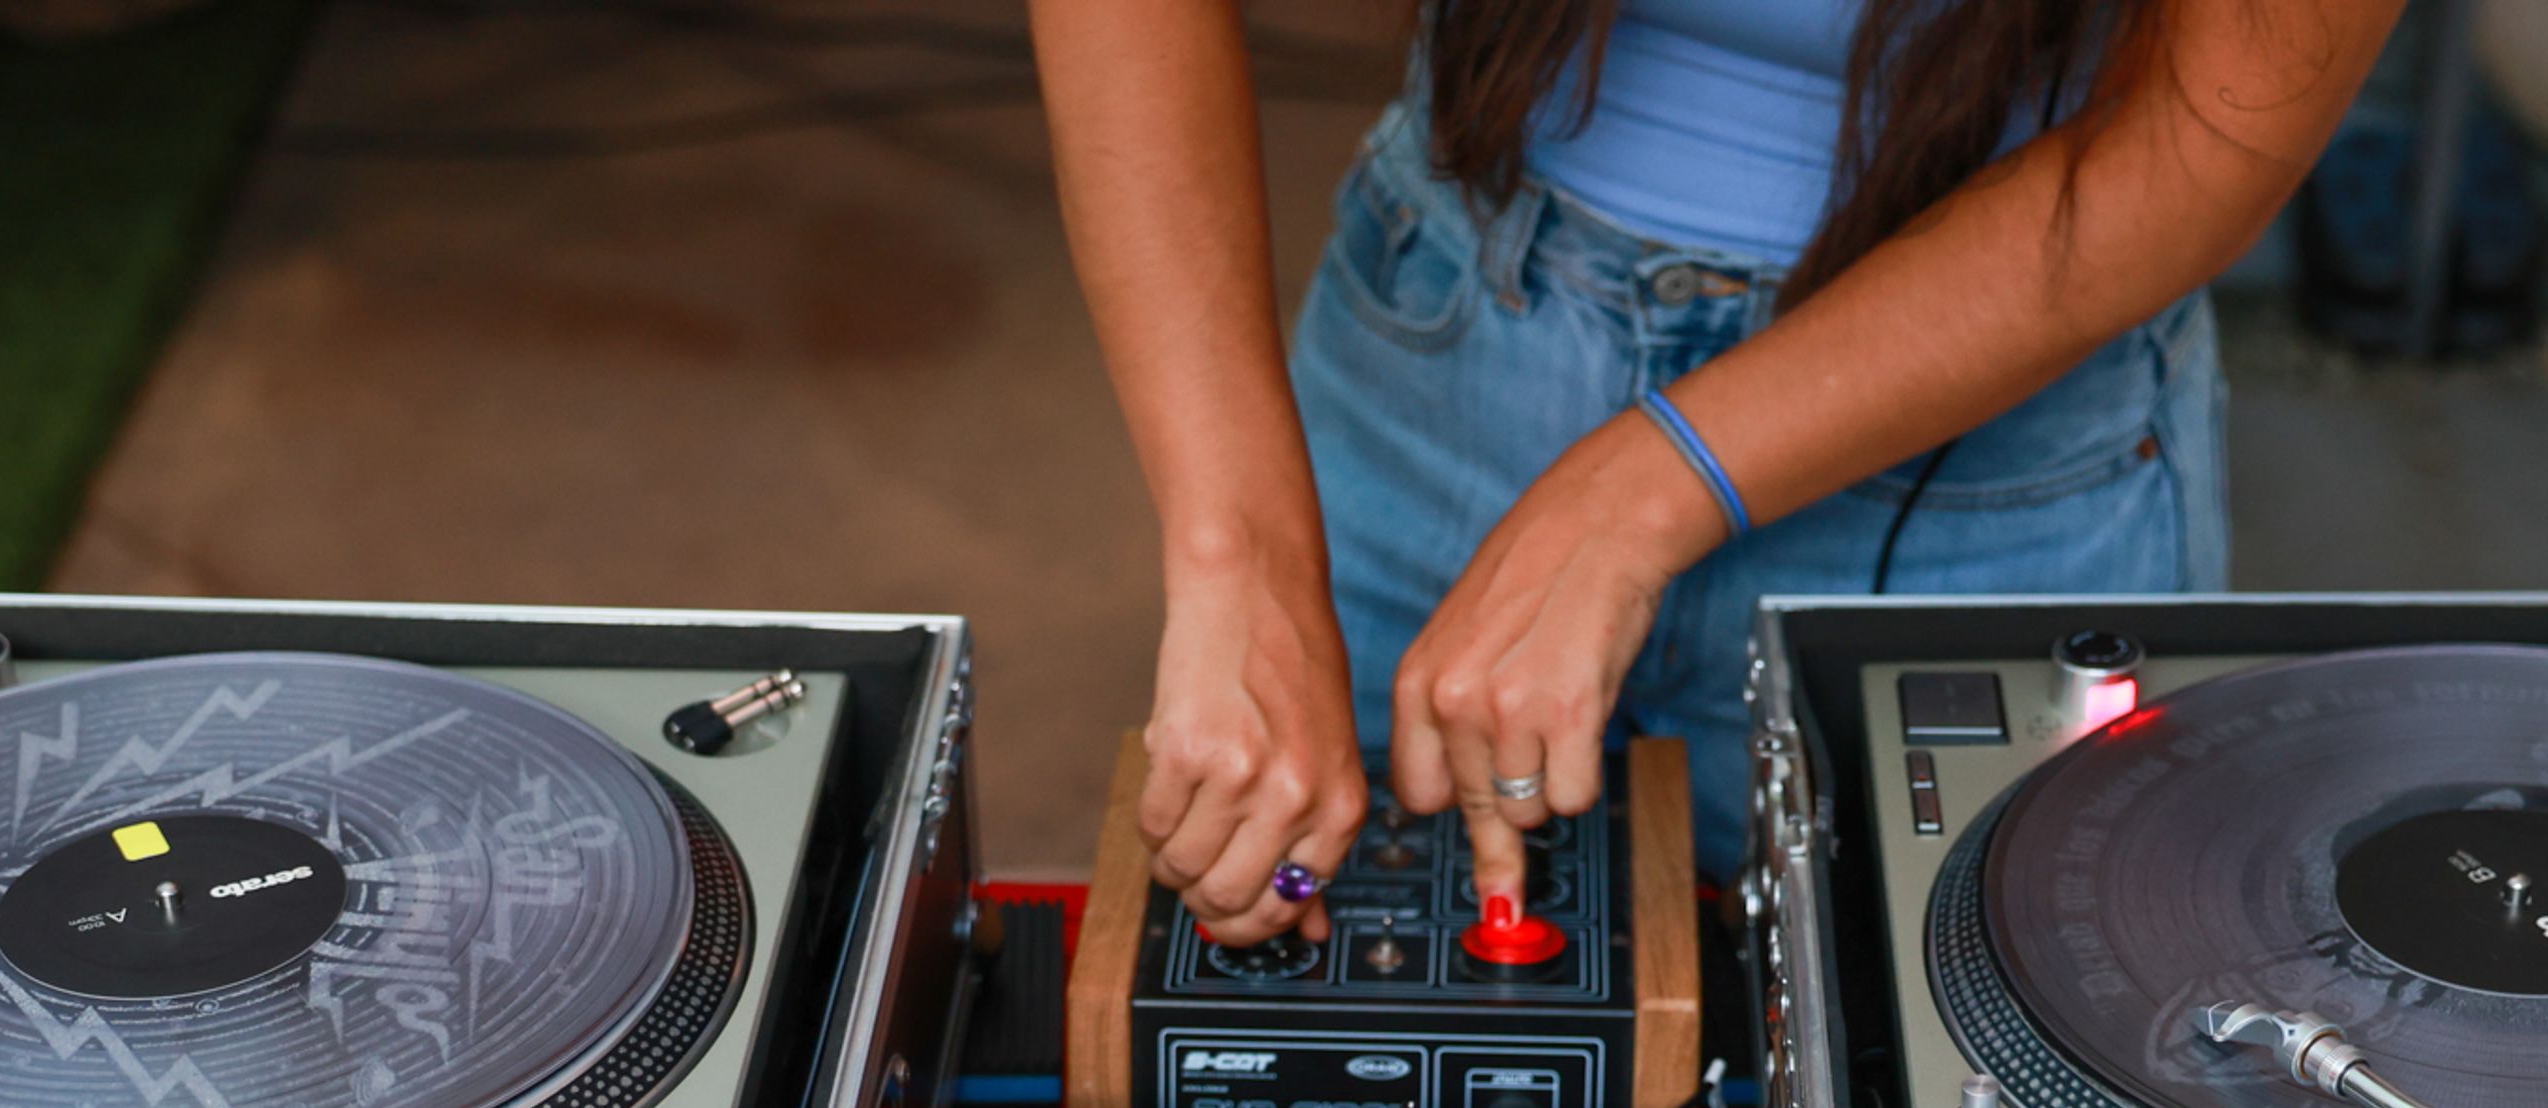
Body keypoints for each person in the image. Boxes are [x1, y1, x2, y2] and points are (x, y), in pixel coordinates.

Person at [1029, 0, 2402, 943]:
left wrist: (1635, 493)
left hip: (1999, 441)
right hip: (1447, 349)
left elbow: (2203, 134)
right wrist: (1244, 555)